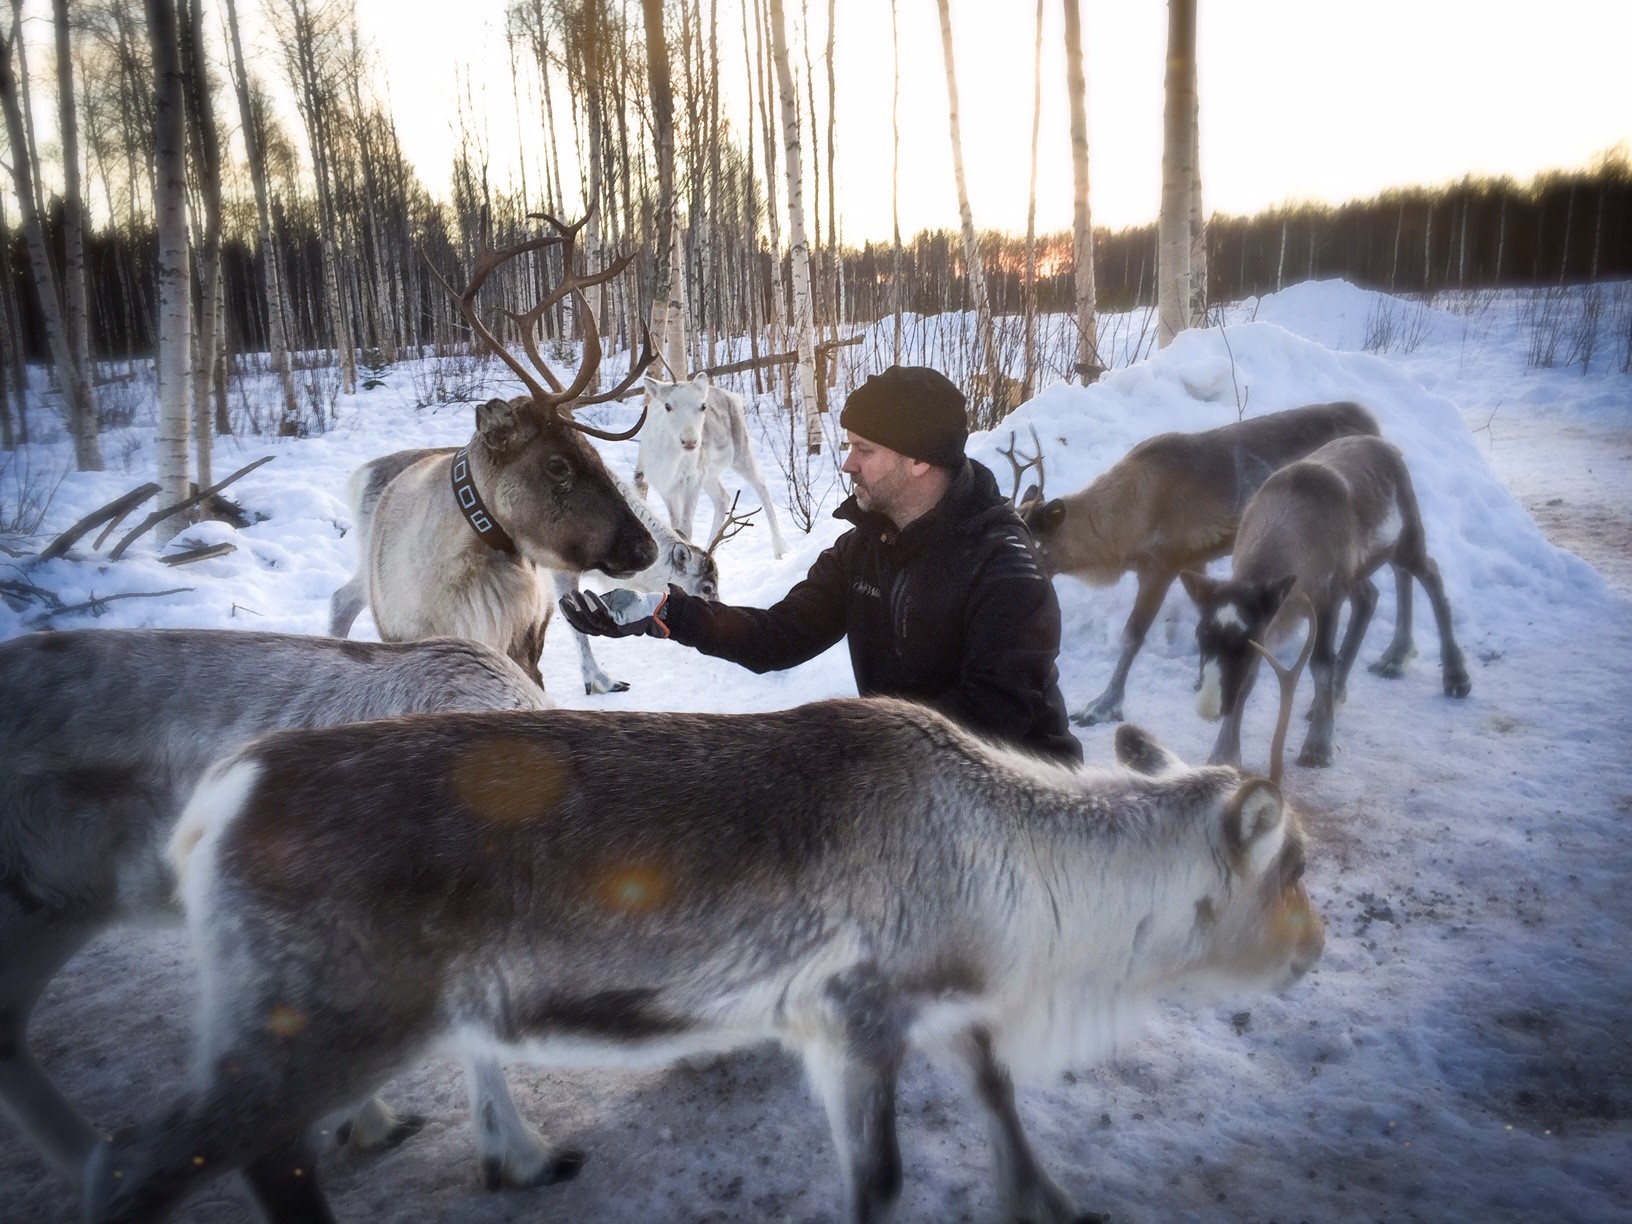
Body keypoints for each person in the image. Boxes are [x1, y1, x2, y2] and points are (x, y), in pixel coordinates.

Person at [560, 365, 1083, 764]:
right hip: (919, 779)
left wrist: (842, 741)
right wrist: (665, 612)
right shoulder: (867, 551)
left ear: (919, 460)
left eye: (864, 449)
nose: (848, 462)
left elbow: (988, 727)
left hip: (1023, 804)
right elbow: (777, 636)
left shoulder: (1005, 570)